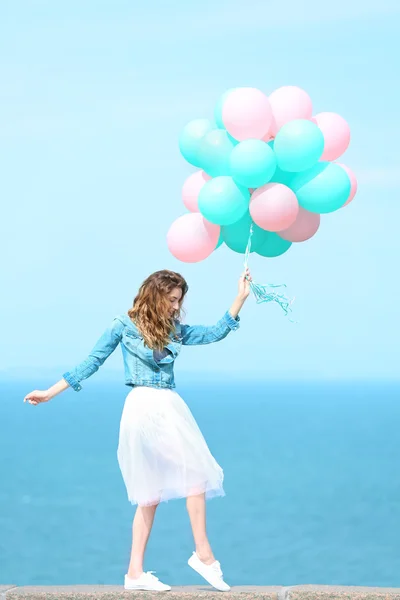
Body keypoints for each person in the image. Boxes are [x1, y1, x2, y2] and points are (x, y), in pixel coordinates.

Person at [23, 267, 252, 592]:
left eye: (179, 301)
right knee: (194, 476)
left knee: (151, 494)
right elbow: (92, 361)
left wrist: (240, 298)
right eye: (172, 299)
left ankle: (134, 574)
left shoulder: (175, 329)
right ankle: (203, 554)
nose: (175, 306)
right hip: (145, 407)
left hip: (168, 405)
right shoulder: (123, 325)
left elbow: (214, 332)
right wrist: (49, 392)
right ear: (155, 294)